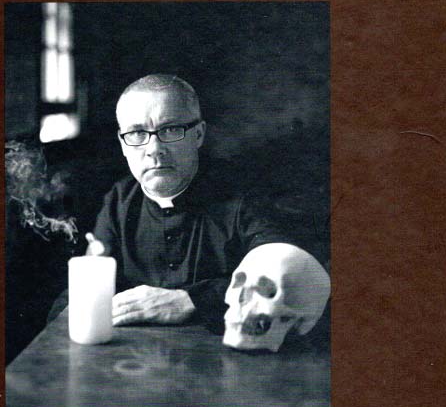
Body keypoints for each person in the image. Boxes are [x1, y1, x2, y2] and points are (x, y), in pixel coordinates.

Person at [79, 74, 309, 334]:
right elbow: (91, 284)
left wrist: (193, 300)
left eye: (170, 130)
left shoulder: (245, 195)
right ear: (123, 144)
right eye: (137, 133)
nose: (154, 149)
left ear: (198, 135)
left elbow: (289, 273)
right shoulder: (119, 200)